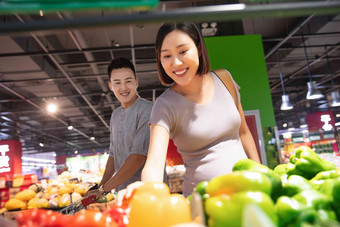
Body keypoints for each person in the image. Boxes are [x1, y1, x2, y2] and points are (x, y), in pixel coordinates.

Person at [117, 23, 260, 202]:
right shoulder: (164, 105)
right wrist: (147, 190)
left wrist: (261, 174)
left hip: (249, 193)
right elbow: (154, 162)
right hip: (203, 205)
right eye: (167, 56)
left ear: (199, 48)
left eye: (183, 51)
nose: (176, 63)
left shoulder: (224, 79)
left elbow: (244, 133)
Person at [84, 57, 167, 198]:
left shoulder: (148, 111)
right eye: (117, 83)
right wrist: (99, 187)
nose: (123, 88)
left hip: (148, 193)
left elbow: (137, 157)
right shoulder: (115, 115)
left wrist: (104, 190)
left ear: (136, 82)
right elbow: (113, 155)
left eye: (128, 81)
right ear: (110, 86)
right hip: (123, 194)